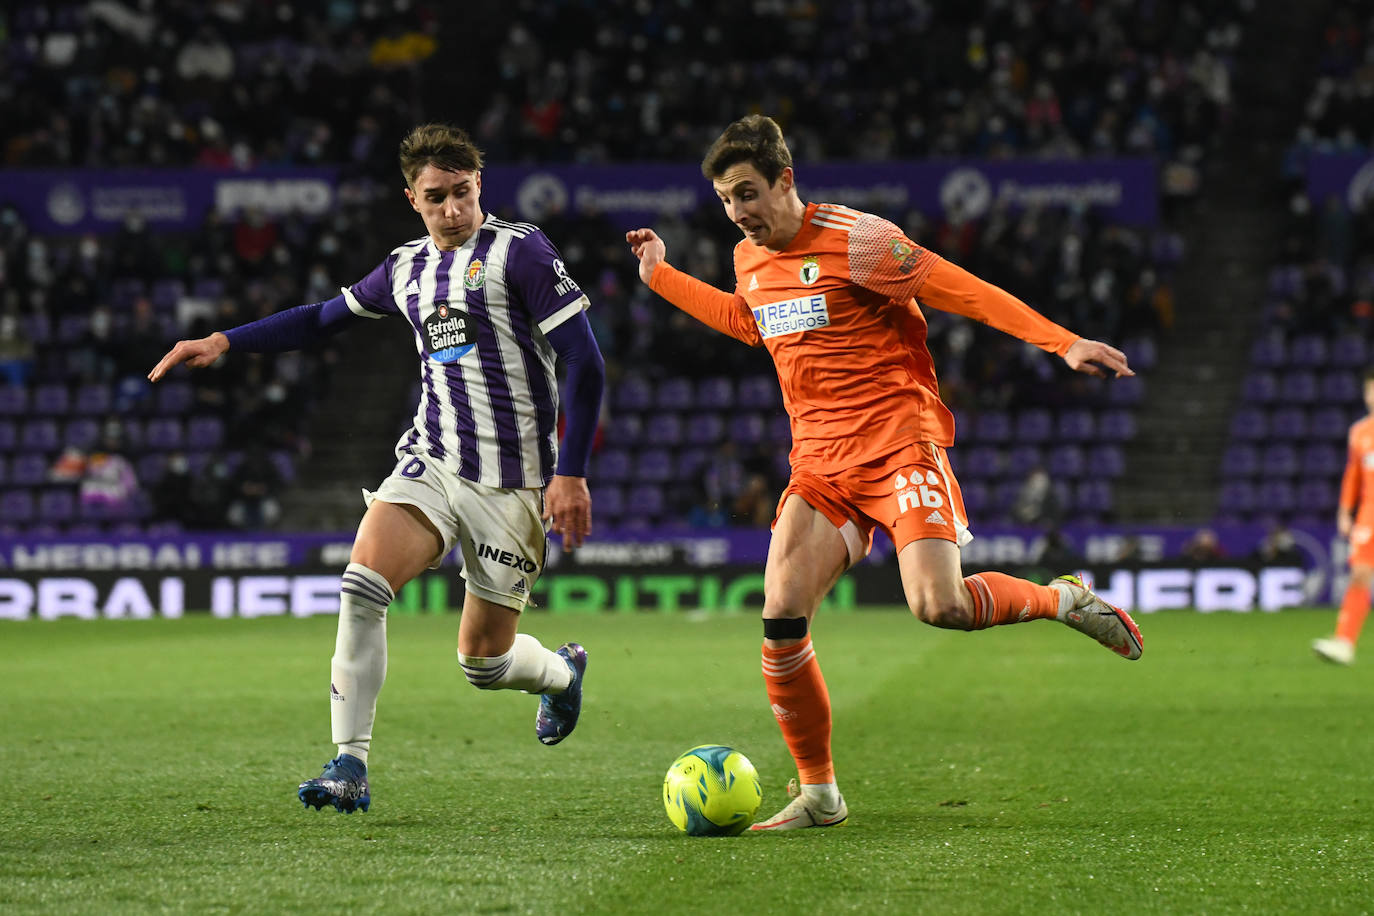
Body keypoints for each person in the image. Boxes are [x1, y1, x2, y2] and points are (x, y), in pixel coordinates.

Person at [626, 115, 1143, 831]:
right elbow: (752, 324)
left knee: (941, 607)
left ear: (785, 180)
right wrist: (662, 278)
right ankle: (819, 795)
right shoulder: (749, 258)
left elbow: (958, 287)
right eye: (725, 200)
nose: (739, 213)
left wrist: (1061, 342)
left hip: (900, 442)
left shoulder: (858, 241)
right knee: (780, 617)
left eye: (749, 193)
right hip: (819, 463)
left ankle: (1061, 601)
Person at [149, 123, 606, 812]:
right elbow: (321, 320)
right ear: (410, 199)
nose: (451, 211)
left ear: (479, 184)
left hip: (512, 483)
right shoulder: (404, 268)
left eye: (461, 193)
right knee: (362, 585)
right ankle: (348, 764)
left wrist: (569, 473)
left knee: (483, 664)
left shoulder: (522, 254)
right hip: (431, 459)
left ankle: (562, 675)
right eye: (435, 198)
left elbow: (585, 360)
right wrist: (224, 340)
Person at [1313, 367, 1374, 665]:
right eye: (1370, 390)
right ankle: (1344, 642)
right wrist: (1344, 510)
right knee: (1359, 574)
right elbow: (1352, 475)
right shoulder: (1359, 432)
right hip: (1369, 515)